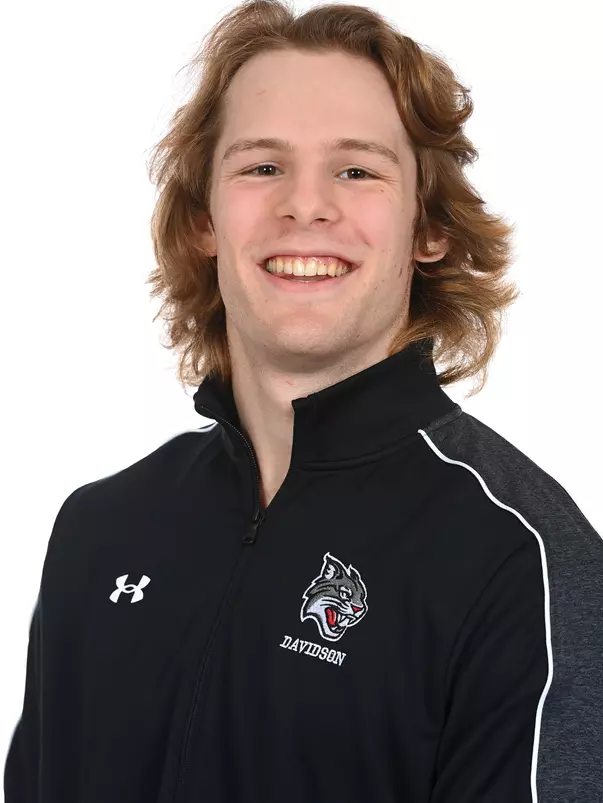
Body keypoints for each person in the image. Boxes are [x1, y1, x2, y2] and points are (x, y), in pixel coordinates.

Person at [5, 0, 603, 800]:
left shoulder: (516, 556)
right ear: (203, 220)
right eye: (261, 166)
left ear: (427, 227)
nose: (305, 205)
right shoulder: (99, 529)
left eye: (356, 170)